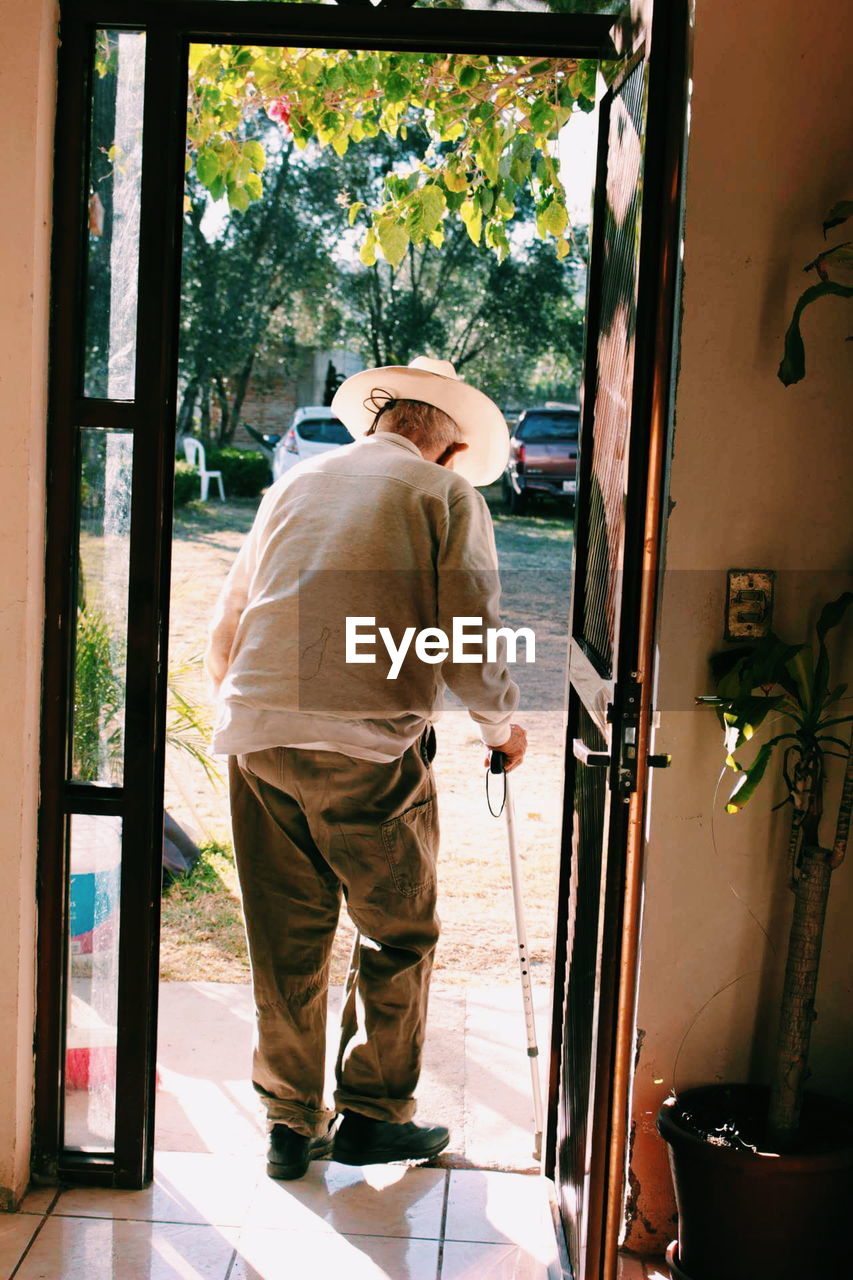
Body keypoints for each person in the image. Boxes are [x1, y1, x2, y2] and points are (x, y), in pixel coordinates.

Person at [205, 356, 528, 1180]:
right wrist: (502, 726)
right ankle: (373, 1116)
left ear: (383, 417)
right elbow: (468, 630)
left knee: (285, 941)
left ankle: (288, 1123)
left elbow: (229, 621)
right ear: (448, 444)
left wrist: (258, 718)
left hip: (258, 737)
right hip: (367, 746)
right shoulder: (445, 495)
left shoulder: (295, 485)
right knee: (397, 933)